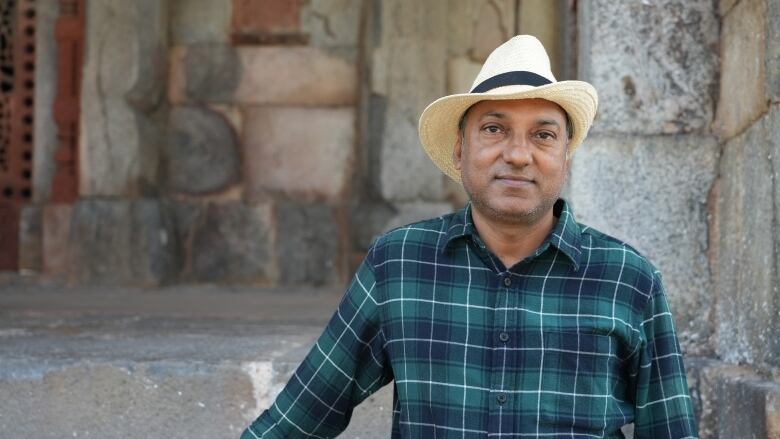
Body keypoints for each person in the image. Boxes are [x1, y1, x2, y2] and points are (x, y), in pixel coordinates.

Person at [241, 35, 698, 438]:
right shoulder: (399, 264)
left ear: (565, 159)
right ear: (460, 151)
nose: (518, 155)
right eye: (495, 129)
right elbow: (298, 418)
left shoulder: (627, 279)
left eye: (542, 135)